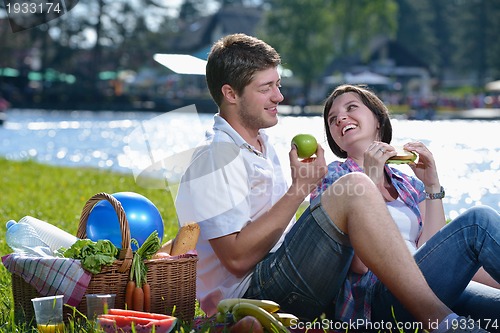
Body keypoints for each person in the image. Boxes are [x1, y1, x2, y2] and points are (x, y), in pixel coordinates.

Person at [174, 33, 491, 333]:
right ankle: (437, 320)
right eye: (266, 88)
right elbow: (236, 258)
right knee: (360, 188)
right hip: (252, 293)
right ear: (231, 94)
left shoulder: (262, 146)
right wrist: (300, 189)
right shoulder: (216, 155)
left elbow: (429, 243)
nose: (279, 96)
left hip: (288, 278)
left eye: (278, 84)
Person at [314, 83, 500, 328]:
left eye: (351, 108)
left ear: (378, 120)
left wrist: (432, 185)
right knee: (479, 221)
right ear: (335, 139)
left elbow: (430, 248)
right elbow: (359, 264)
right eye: (332, 119)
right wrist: (370, 180)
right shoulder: (332, 178)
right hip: (381, 297)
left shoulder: (407, 183)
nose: (341, 118)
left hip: (431, 286)